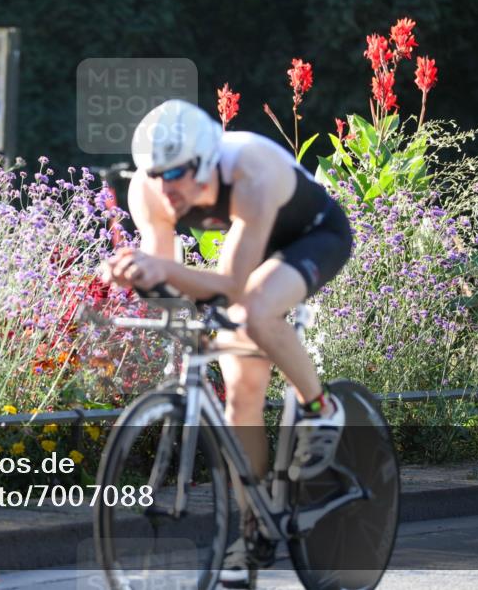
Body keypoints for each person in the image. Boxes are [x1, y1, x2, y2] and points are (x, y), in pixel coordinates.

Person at [99, 99, 354, 587]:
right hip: (251, 256)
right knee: (241, 394)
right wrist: (133, 275)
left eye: (178, 172)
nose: (167, 185)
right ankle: (254, 527)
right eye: (156, 173)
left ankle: (322, 407)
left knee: (254, 310)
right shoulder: (149, 190)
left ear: (208, 160)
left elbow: (233, 284)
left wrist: (161, 270)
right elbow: (170, 285)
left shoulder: (250, 172)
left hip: (313, 236)